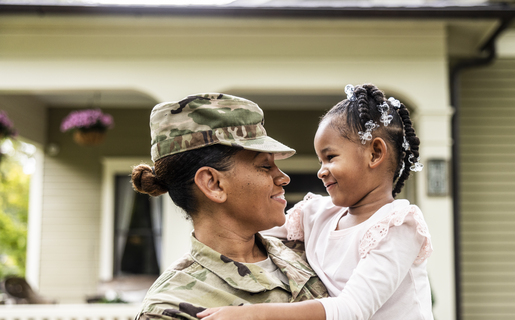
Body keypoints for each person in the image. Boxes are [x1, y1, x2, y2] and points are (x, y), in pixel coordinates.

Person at [198, 83, 434, 320]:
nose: (321, 171)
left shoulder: (398, 226)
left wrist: (253, 315)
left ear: (374, 153)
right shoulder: (317, 214)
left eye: (330, 157)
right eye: (320, 161)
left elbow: (350, 310)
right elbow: (251, 231)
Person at [132, 93, 329, 320]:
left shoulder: (306, 250)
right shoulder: (170, 308)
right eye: (265, 166)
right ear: (213, 184)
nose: (283, 178)